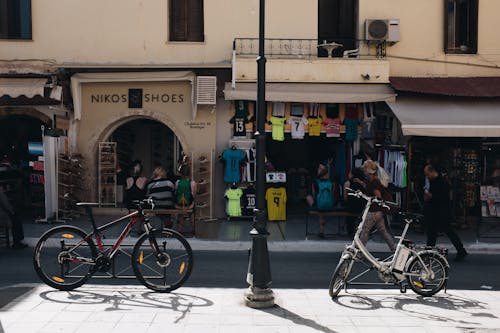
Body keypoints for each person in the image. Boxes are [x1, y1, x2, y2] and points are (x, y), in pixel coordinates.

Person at [424, 165, 468, 261]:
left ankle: (461, 250)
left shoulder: (442, 182)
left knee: (448, 231)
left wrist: (431, 196)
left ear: (432, 172)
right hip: (434, 212)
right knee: (432, 233)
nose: (427, 176)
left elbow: (444, 198)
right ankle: (429, 252)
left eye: (428, 174)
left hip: (442, 212)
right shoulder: (433, 181)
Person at [360, 160, 396, 252]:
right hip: (378, 211)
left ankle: (360, 251)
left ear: (368, 170)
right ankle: (393, 248)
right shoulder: (372, 180)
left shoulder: (374, 182)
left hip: (374, 210)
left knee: (365, 229)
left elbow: (378, 196)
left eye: (364, 169)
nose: (363, 171)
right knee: (383, 231)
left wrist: (371, 199)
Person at [306, 164, 335, 238]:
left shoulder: (315, 182)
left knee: (309, 197)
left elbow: (314, 195)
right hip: (330, 205)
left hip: (319, 206)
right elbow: (333, 194)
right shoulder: (331, 182)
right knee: (322, 208)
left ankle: (321, 230)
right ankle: (321, 230)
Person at [343, 167, 366, 237]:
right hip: (362, 207)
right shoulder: (363, 183)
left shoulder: (347, 183)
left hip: (351, 207)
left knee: (349, 210)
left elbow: (345, 197)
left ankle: (350, 229)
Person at [175, 165, 197, 233]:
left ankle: (179, 229)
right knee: (192, 211)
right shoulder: (192, 183)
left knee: (180, 214)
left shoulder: (177, 182)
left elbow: (176, 193)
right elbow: (193, 196)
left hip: (178, 205)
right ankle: (193, 228)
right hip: (189, 205)